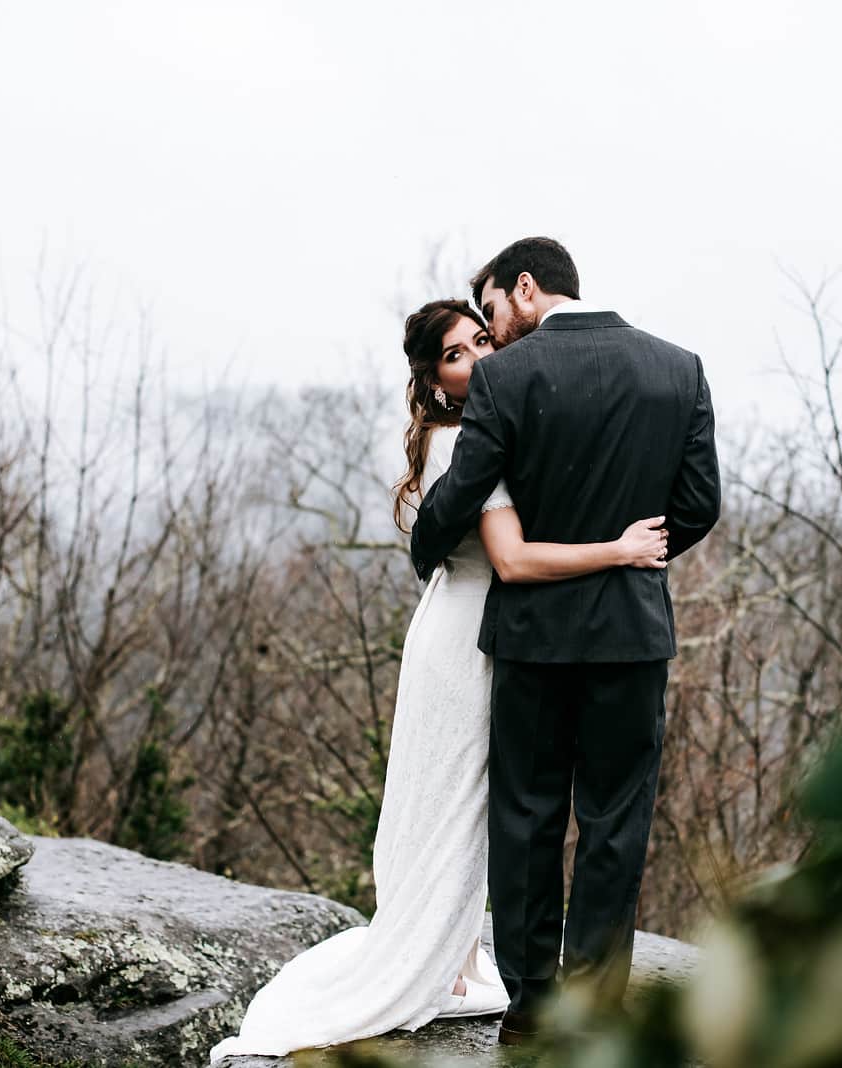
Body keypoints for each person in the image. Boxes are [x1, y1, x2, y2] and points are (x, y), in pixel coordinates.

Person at [207, 298, 670, 1062]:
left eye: (483, 340)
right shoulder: (463, 442)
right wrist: (617, 550)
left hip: (469, 623)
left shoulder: (474, 430)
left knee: (459, 796)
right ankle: (429, 960)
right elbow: (514, 560)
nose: (481, 357)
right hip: (472, 640)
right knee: (461, 799)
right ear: (435, 379)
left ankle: (453, 963)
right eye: (458, 354)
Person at [410, 237, 721, 1045]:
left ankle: (531, 1004)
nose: (492, 329)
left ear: (525, 287)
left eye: (491, 310)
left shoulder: (506, 380)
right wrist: (630, 558)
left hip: (531, 638)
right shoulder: (677, 369)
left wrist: (425, 546)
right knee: (616, 821)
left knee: (526, 817)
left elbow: (465, 489)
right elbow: (698, 504)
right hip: (630, 632)